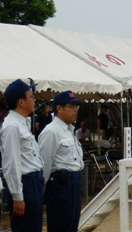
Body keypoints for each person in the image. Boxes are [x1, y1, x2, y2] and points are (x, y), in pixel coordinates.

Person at [1, 79, 44, 232]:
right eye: (31, 96)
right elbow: (11, 164)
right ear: (21, 102)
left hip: (33, 182)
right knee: (26, 227)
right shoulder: (12, 126)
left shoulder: (21, 123)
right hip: (26, 184)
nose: (34, 100)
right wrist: (17, 196)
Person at [39, 90, 84, 232]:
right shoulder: (51, 131)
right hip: (60, 185)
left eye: (77, 106)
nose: (76, 110)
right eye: (71, 106)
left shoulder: (69, 130)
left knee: (71, 226)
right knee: (60, 226)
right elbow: (44, 165)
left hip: (73, 183)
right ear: (59, 108)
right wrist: (41, 195)